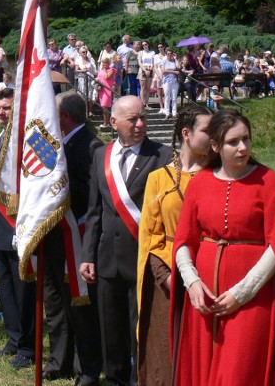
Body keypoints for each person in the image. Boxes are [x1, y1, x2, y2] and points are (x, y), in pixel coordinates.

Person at [170, 109, 275, 385]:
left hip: (252, 299)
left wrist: (242, 293)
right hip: (203, 299)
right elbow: (183, 241)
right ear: (215, 145)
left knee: (239, 372)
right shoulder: (199, 183)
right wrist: (192, 283)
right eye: (233, 142)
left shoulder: (269, 183)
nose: (243, 147)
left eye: (247, 139)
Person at [80, 96, 172, 386]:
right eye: (133, 119)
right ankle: (115, 376)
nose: (140, 124)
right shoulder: (100, 156)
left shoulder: (163, 155)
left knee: (140, 324)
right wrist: (87, 255)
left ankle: (139, 378)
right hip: (107, 256)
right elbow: (94, 211)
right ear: (113, 122)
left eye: (142, 117)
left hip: (142, 255)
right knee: (111, 325)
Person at [137, 106, 212, 386]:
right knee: (166, 350)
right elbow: (150, 235)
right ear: (187, 134)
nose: (214, 136)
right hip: (168, 278)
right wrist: (165, 275)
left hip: (210, 276)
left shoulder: (219, 176)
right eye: (207, 130)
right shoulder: (159, 179)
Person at [42, 92, 103, 385]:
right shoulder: (62, 143)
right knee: (55, 301)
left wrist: (56, 181)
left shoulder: (91, 146)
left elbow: (91, 194)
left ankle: (86, 367)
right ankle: (59, 360)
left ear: (65, 116)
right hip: (54, 234)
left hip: (76, 237)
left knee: (80, 306)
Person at [0, 88, 35, 368]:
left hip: (18, 223)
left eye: (7, 107)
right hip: (0, 223)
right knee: (5, 285)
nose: (2, 112)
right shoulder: (1, 137)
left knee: (22, 287)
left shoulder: (24, 140)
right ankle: (14, 338)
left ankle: (28, 345)